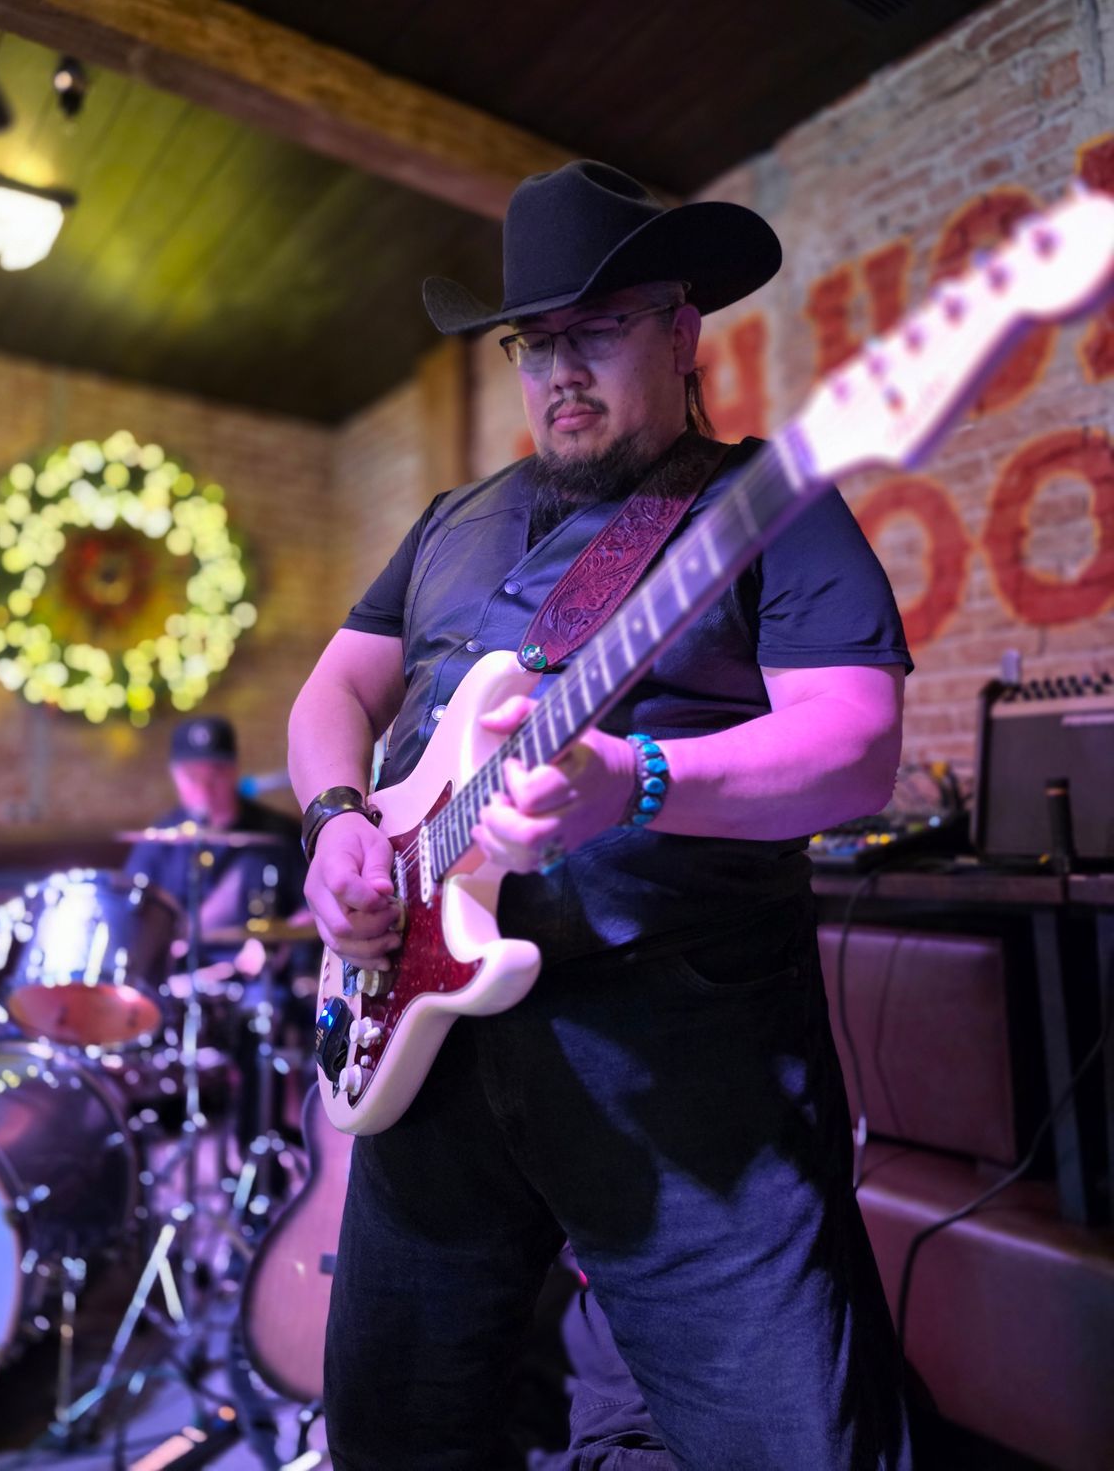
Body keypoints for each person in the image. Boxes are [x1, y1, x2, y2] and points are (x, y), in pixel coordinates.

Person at [289, 159, 914, 1470]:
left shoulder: (771, 501)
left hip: (683, 1074)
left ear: (683, 332)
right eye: (534, 342)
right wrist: (338, 819)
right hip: (425, 1054)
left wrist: (637, 781)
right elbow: (335, 690)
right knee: (394, 1433)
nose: (559, 370)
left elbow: (854, 747)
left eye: (598, 330)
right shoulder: (452, 521)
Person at [124, 714, 309, 958]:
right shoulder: (157, 842)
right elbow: (132, 917)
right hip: (178, 974)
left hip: (263, 975)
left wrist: (284, 943)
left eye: (216, 773)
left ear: (234, 771)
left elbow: (311, 910)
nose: (205, 787)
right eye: (192, 776)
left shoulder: (280, 834)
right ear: (175, 776)